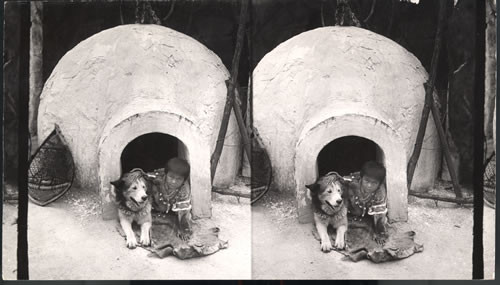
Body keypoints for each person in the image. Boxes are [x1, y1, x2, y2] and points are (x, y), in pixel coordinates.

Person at [148, 157, 192, 241]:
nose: (174, 181)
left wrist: (183, 228)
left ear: (184, 180)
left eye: (178, 179)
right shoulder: (156, 178)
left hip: (171, 212)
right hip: (153, 207)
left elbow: (183, 212)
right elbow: (139, 178)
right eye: (171, 177)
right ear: (165, 174)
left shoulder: (184, 190)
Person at [344, 160, 388, 244]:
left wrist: (380, 232)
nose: (369, 185)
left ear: (379, 184)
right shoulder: (350, 182)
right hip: (349, 211)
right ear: (361, 177)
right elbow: (334, 183)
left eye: (374, 183)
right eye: (366, 181)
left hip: (367, 215)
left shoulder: (380, 193)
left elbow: (379, 216)